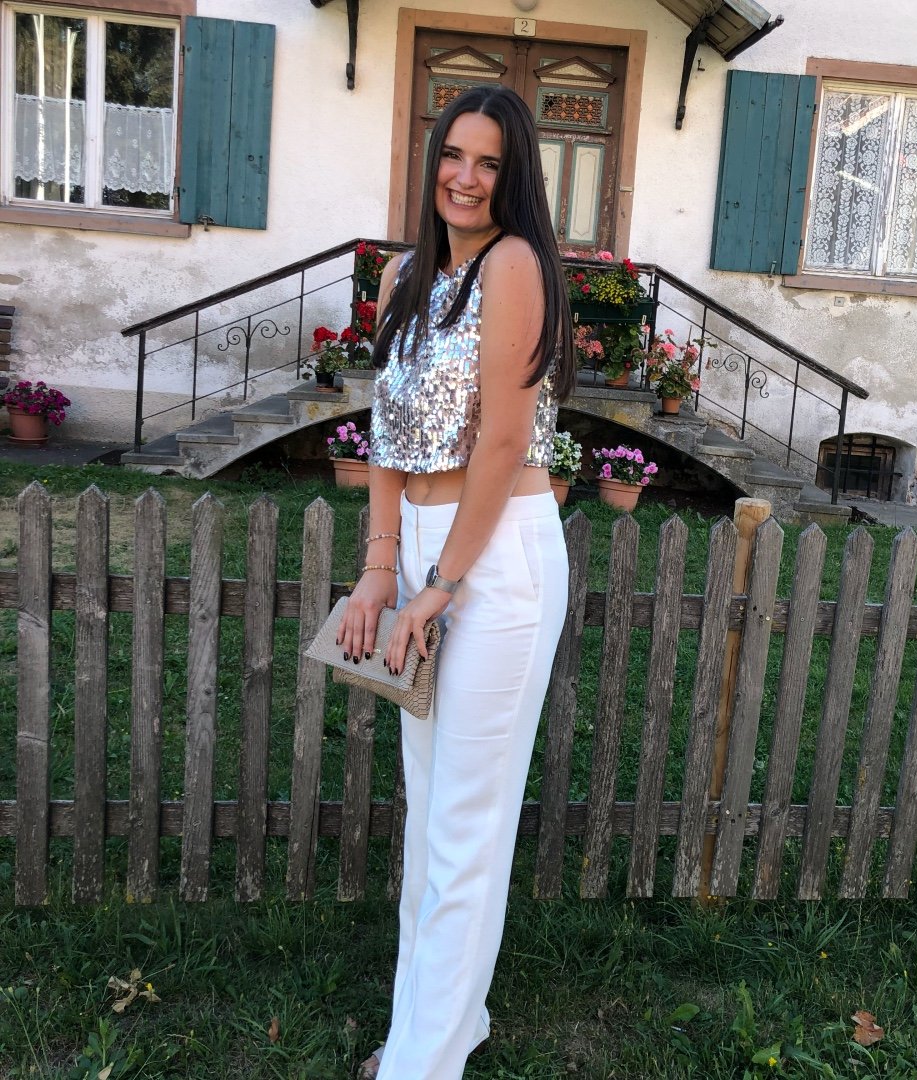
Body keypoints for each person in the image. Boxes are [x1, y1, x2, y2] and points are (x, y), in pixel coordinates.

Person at [335, 83, 575, 1079]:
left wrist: (438, 587)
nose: (465, 178)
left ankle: (419, 1065)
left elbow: (505, 441)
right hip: (426, 551)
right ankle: (439, 1029)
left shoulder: (514, 265)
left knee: (466, 828)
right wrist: (378, 572)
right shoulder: (404, 273)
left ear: (512, 179)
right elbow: (387, 430)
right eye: (453, 155)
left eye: (489, 163)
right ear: (431, 157)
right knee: (432, 813)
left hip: (500, 553)